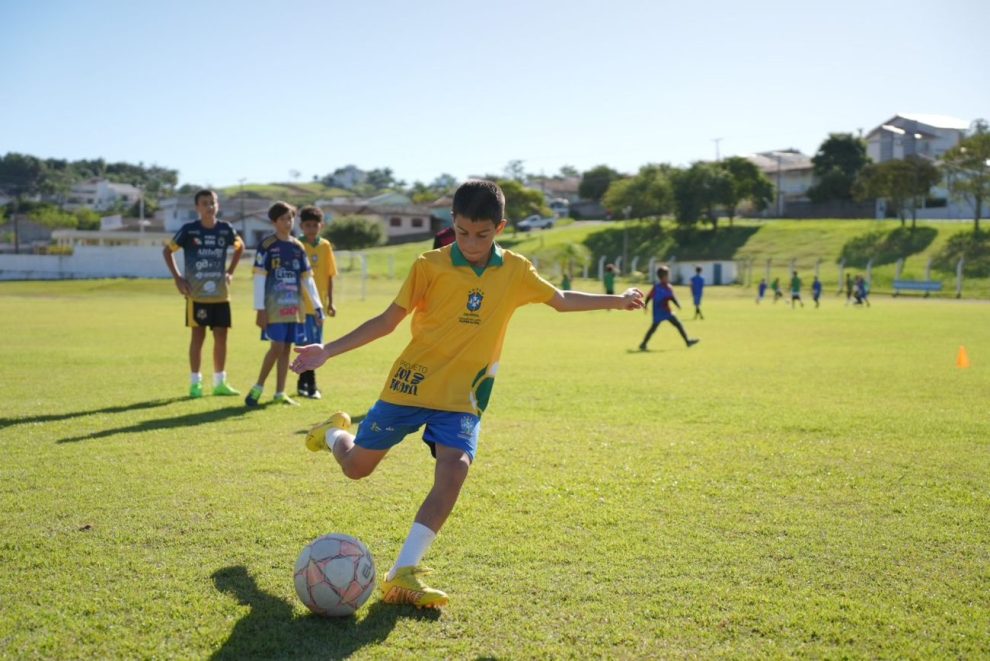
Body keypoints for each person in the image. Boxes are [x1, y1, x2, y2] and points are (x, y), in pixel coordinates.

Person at [291, 180, 644, 609]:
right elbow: (387, 321)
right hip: (411, 385)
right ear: (452, 224)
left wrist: (617, 300)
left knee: (454, 471)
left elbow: (562, 299)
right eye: (462, 232)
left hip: (464, 397)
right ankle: (333, 433)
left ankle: (402, 572)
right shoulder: (428, 265)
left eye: (483, 233)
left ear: (500, 227)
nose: (472, 243)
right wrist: (326, 351)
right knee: (356, 469)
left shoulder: (515, 270)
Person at [162, 189, 244, 398]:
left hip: (221, 295)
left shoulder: (225, 229)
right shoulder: (189, 230)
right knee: (197, 337)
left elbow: (239, 246)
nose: (209, 207)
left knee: (221, 338)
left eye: (212, 203)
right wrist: (178, 278)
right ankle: (195, 383)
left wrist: (230, 272)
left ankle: (220, 383)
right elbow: (167, 251)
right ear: (197, 207)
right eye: (205, 203)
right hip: (196, 296)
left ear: (217, 205)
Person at [244, 202, 325, 407]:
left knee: (288, 348)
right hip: (273, 308)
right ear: (274, 222)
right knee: (276, 346)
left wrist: (317, 307)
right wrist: (259, 309)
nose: (287, 223)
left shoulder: (298, 247)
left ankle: (280, 392)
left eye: (290, 218)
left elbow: (307, 279)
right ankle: (258, 387)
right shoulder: (267, 246)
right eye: (283, 219)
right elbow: (259, 279)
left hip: (294, 308)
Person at [297, 206, 338, 400]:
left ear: (320, 225)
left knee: (315, 344)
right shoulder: (297, 245)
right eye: (308, 225)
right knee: (304, 344)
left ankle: (304, 384)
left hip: (319, 305)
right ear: (301, 226)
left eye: (315, 225)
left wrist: (330, 302)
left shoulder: (325, 246)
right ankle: (310, 385)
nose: (312, 228)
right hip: (299, 305)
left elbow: (330, 275)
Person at [638, 265, 699, 351]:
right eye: (668, 275)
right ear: (663, 277)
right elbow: (649, 297)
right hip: (659, 312)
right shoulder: (658, 287)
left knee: (678, 324)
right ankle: (643, 344)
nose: (669, 277)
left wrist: (677, 304)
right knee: (654, 328)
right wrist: (645, 305)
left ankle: (687, 341)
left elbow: (671, 297)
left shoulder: (666, 287)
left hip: (666, 311)